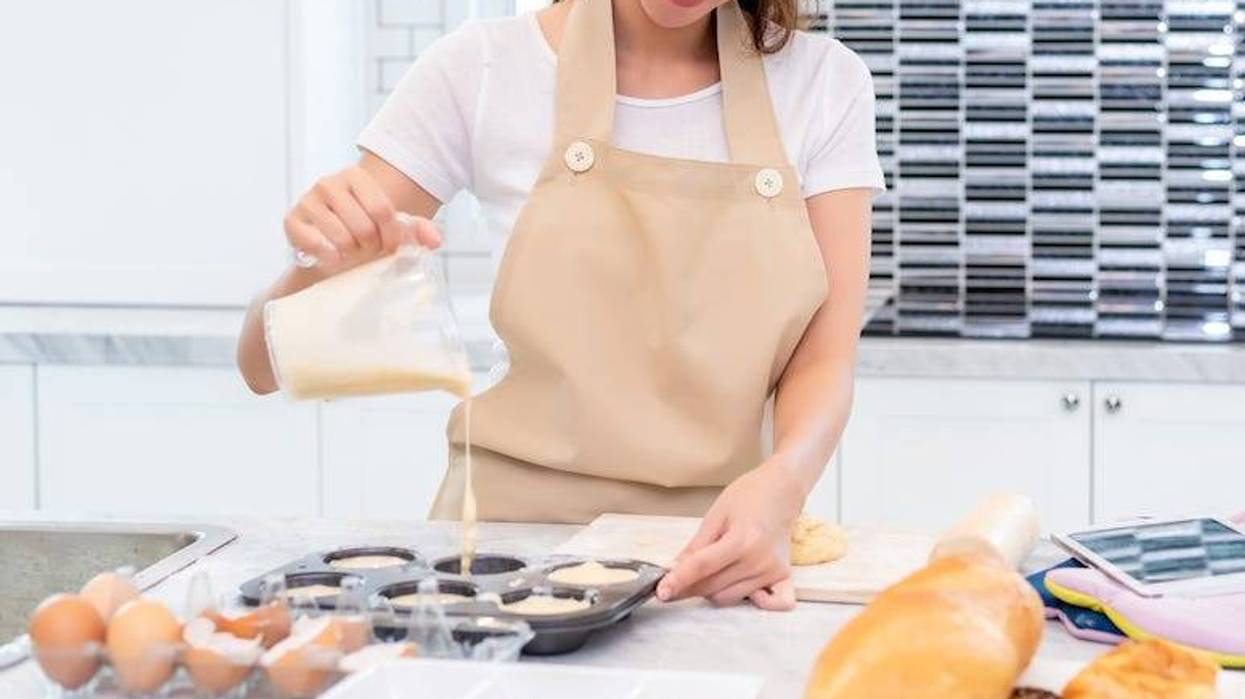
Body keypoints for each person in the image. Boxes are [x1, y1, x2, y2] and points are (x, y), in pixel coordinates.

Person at [237, 0, 883, 610]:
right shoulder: (482, 69)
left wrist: (783, 483)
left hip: (714, 556)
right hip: (501, 556)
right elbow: (260, 366)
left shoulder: (823, 85)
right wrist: (321, 261)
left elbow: (824, 359)